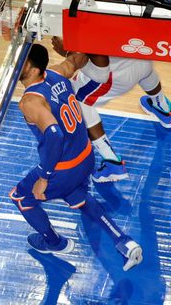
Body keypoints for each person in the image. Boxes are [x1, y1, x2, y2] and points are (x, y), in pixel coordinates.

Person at [9, 43, 142, 271]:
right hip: (85, 157)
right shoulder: (57, 74)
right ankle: (125, 242)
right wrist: (76, 39)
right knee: (76, 195)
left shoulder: (30, 101)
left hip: (63, 168)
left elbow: (53, 135)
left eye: (22, 61)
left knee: (22, 198)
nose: (16, 63)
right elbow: (77, 58)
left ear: (32, 70)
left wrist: (44, 177)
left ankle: (54, 243)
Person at [49, 0, 171, 182]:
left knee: (78, 103)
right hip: (141, 61)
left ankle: (113, 164)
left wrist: (68, 52)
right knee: (146, 69)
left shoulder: (95, 23)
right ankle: (164, 110)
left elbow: (101, 73)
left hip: (114, 76)